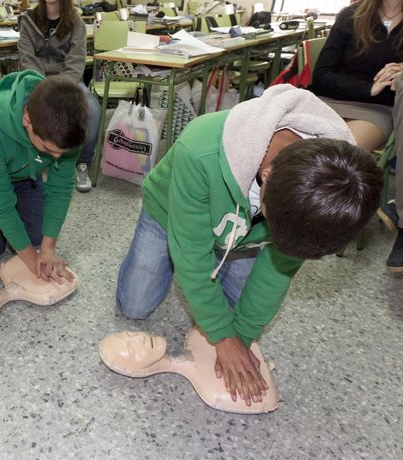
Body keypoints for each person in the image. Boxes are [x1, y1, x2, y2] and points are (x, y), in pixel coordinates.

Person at [115, 85, 383, 406]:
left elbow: (275, 273)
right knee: (135, 306)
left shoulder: (323, 194)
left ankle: (214, 279)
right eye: (277, 227)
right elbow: (192, 255)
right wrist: (221, 334)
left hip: (242, 234)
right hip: (169, 211)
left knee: (240, 314)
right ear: (267, 176)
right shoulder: (200, 149)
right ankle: (172, 264)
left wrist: (239, 337)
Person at [0, 70, 87, 283]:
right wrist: (33, 262)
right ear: (27, 120)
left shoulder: (68, 128)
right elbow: (0, 204)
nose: (58, 157)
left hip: (24, 167)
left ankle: (18, 178)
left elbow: (60, 189)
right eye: (49, 149)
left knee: (36, 237)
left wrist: (48, 249)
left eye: (63, 152)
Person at [310, 0, 403, 272]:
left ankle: (319, 221)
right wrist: (370, 87)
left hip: (376, 110)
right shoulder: (351, 15)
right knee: (287, 142)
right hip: (332, 99)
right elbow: (321, 75)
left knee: (339, 152)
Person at [17, 0, 100, 192]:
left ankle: (83, 162)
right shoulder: (27, 21)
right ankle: (24, 160)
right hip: (35, 79)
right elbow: (28, 59)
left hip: (68, 81)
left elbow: (76, 62)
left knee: (92, 109)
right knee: (17, 104)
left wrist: (59, 89)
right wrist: (42, 87)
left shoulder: (76, 23)